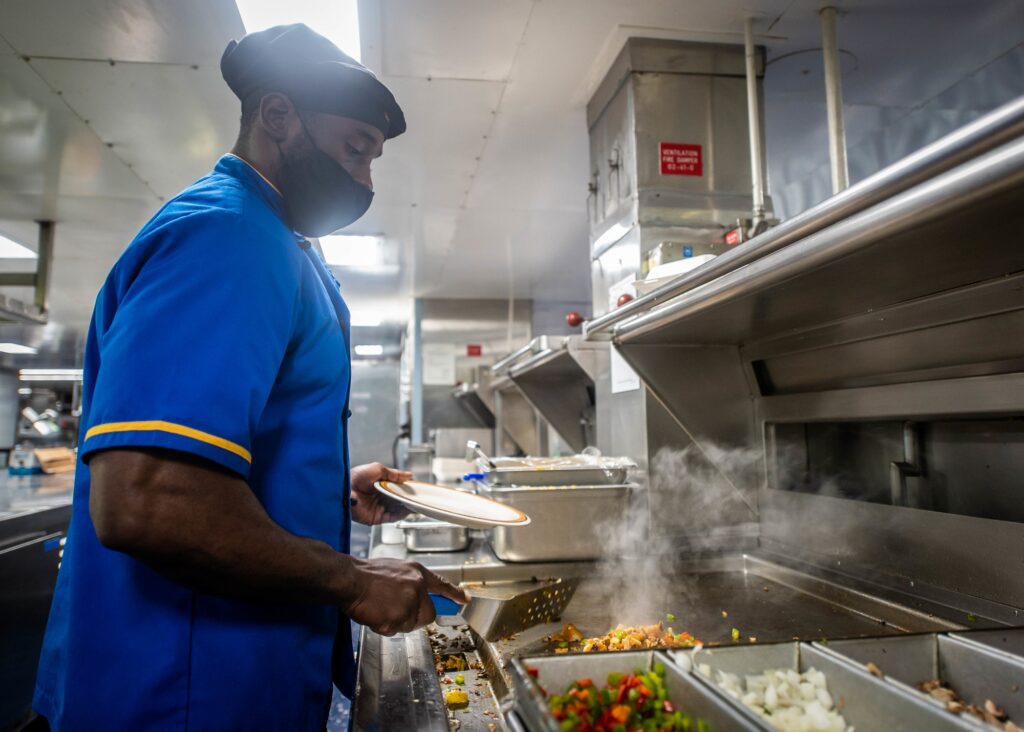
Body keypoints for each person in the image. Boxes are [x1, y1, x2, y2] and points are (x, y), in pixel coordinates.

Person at [32, 23, 468, 731]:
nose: (364, 179)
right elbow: (147, 497)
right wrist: (351, 580)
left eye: (373, 160)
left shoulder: (272, 241)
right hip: (179, 694)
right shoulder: (227, 238)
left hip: (231, 680)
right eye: (355, 150)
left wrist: (330, 488)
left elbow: (221, 449)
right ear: (278, 116)